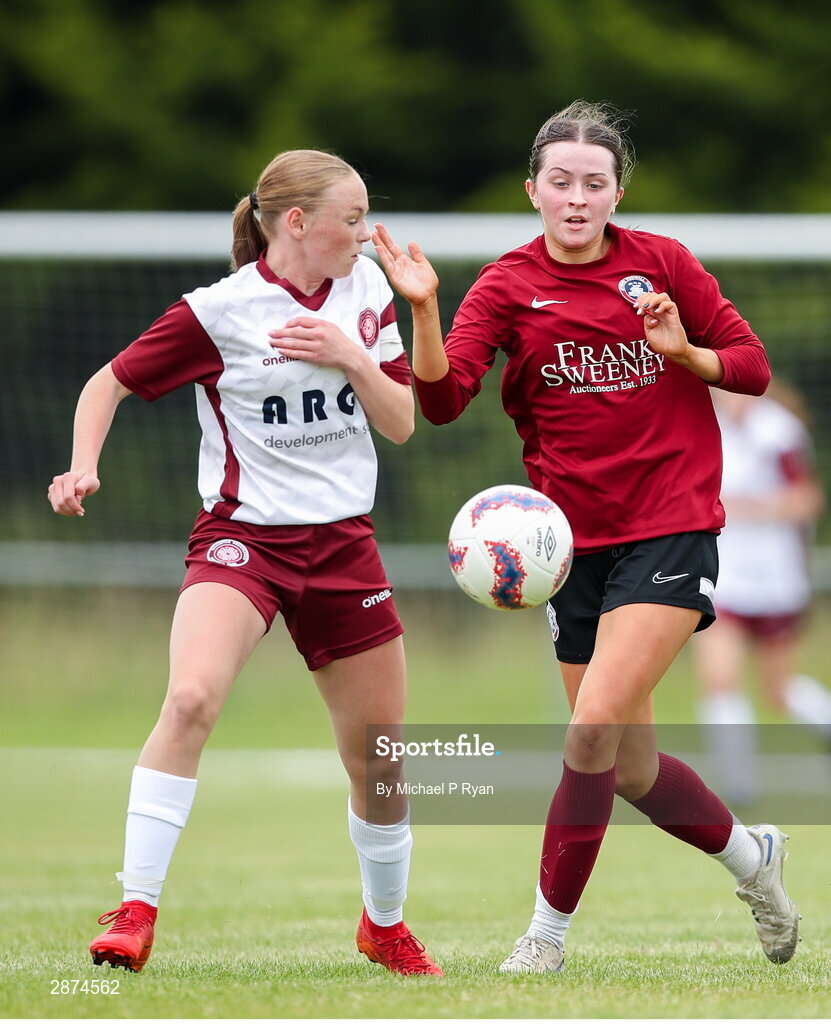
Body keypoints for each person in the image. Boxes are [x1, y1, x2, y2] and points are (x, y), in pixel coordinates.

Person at [372, 100, 800, 973]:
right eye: (559, 183)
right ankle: (754, 862)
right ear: (533, 190)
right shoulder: (502, 286)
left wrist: (683, 352)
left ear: (615, 192)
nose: (576, 198)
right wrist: (421, 309)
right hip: (567, 550)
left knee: (588, 729)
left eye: (593, 184)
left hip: (672, 528)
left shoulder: (664, 265)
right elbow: (444, 400)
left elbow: (749, 366)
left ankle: (544, 939)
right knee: (628, 765)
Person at [47, 149, 442, 977]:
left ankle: (385, 926)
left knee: (378, 753)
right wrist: (83, 465)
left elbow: (403, 422)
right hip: (244, 541)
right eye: (350, 215)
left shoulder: (369, 289)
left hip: (344, 545)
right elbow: (105, 384)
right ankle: (135, 909)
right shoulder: (219, 311)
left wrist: (353, 356)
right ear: (296, 222)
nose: (365, 231)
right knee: (189, 699)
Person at [695, 382, 829, 805]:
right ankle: (738, 790)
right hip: (727, 577)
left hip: (777, 579)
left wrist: (744, 508)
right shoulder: (709, 428)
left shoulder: (779, 431)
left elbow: (807, 500)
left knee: (779, 691)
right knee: (720, 681)